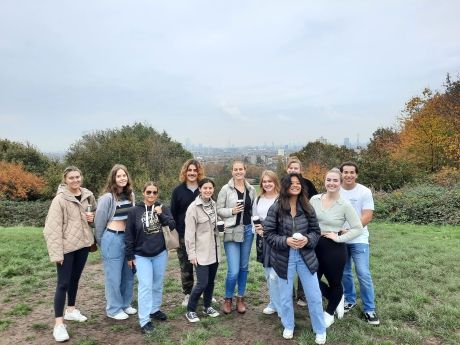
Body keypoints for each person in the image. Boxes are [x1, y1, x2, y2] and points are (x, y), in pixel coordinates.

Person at [264, 173, 326, 344]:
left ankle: (320, 329)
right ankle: (288, 325)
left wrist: (307, 240)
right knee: (285, 296)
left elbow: (316, 231)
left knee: (313, 294)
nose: (295, 185)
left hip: (305, 256)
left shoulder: (307, 207)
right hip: (284, 257)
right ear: (285, 186)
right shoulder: (276, 207)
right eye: (291, 183)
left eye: (298, 183)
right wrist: (286, 240)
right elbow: (268, 234)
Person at [43, 166, 97, 342]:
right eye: (71, 178)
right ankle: (59, 324)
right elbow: (51, 229)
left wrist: (93, 218)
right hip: (66, 249)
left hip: (83, 245)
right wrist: (57, 254)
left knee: (75, 279)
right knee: (63, 284)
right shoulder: (59, 200)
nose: (75, 180)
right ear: (65, 180)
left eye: (77, 177)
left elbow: (96, 216)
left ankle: (71, 310)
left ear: (81, 177)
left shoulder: (88, 195)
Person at [310, 168, 363, 328]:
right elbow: (307, 220)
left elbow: (357, 228)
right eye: (329, 180)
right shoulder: (314, 199)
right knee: (311, 281)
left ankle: (329, 313)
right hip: (314, 247)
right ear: (324, 181)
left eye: (335, 180)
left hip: (334, 250)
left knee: (335, 283)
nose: (331, 183)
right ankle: (337, 298)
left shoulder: (344, 205)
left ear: (340, 183)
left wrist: (339, 237)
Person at [125, 181, 175, 334]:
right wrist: (130, 255)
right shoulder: (134, 211)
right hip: (141, 255)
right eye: (149, 192)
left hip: (160, 253)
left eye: (154, 192)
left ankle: (154, 309)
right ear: (143, 193)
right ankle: (144, 320)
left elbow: (172, 225)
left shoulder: (162, 208)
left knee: (157, 284)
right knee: (145, 286)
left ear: (157, 194)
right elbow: (129, 235)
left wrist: (160, 214)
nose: (152, 195)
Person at [339, 162, 380, 325]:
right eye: (345, 172)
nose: (348, 175)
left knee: (363, 273)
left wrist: (350, 230)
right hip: (340, 240)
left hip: (359, 239)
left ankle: (369, 309)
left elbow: (367, 216)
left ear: (356, 174)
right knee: (345, 272)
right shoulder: (335, 190)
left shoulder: (364, 191)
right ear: (341, 174)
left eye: (352, 172)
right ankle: (350, 299)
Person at [95, 164, 136, 320]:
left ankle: (125, 304)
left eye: (124, 175)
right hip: (112, 238)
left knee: (129, 272)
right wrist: (103, 242)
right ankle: (113, 308)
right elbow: (99, 223)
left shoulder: (131, 195)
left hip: (128, 238)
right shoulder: (107, 198)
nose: (122, 178)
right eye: (118, 176)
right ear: (113, 178)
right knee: (114, 275)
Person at [217, 160, 256, 314]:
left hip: (247, 231)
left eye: (241, 169)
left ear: (245, 171)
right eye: (235, 169)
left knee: (244, 267)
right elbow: (218, 209)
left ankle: (240, 298)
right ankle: (228, 298)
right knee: (233, 270)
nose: (238, 171)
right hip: (232, 231)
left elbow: (253, 210)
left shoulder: (251, 189)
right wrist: (231, 211)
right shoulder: (225, 189)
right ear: (232, 171)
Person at [184, 178, 222, 322]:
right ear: (199, 189)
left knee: (211, 282)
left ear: (213, 190)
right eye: (205, 188)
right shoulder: (193, 208)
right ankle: (190, 310)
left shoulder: (214, 205)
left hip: (215, 251)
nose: (208, 190)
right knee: (202, 283)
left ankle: (207, 307)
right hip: (201, 253)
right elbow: (189, 234)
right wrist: (191, 254)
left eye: (210, 188)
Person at [170, 159, 205, 307]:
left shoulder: (204, 189)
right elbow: (172, 214)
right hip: (184, 235)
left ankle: (203, 291)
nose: (192, 173)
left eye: (194, 171)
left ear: (199, 173)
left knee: (203, 265)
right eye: (189, 170)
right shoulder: (178, 191)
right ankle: (188, 294)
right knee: (186, 266)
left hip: (202, 235)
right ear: (185, 172)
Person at [286, 156, 318, 306]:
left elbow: (315, 202)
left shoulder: (308, 184)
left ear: (301, 170)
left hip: (304, 226)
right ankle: (289, 293)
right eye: (291, 168)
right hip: (286, 227)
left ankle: (302, 294)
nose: (293, 170)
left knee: (304, 262)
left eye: (296, 168)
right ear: (287, 169)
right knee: (286, 263)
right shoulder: (283, 184)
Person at [252, 170, 281, 315]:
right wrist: (257, 229)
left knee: (276, 273)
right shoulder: (258, 199)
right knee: (267, 273)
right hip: (262, 239)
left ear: (275, 182)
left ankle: (282, 302)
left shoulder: (282, 199)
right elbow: (255, 217)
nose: (267, 184)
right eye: (264, 181)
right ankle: (273, 302)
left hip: (277, 238)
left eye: (270, 181)